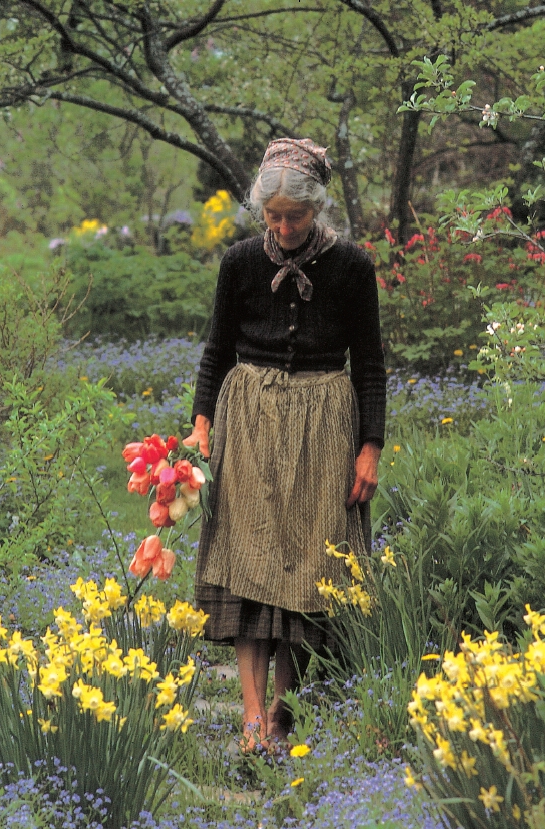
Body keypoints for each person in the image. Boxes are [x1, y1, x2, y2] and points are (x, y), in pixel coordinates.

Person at [184, 138, 386, 751]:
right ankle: (250, 718)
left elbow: (370, 365)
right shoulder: (241, 262)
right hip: (249, 422)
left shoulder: (352, 268)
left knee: (308, 567)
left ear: (316, 208)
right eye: (272, 217)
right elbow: (216, 351)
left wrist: (370, 447)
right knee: (247, 562)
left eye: (294, 216)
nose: (283, 227)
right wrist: (201, 424)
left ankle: (282, 711)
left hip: (324, 427)